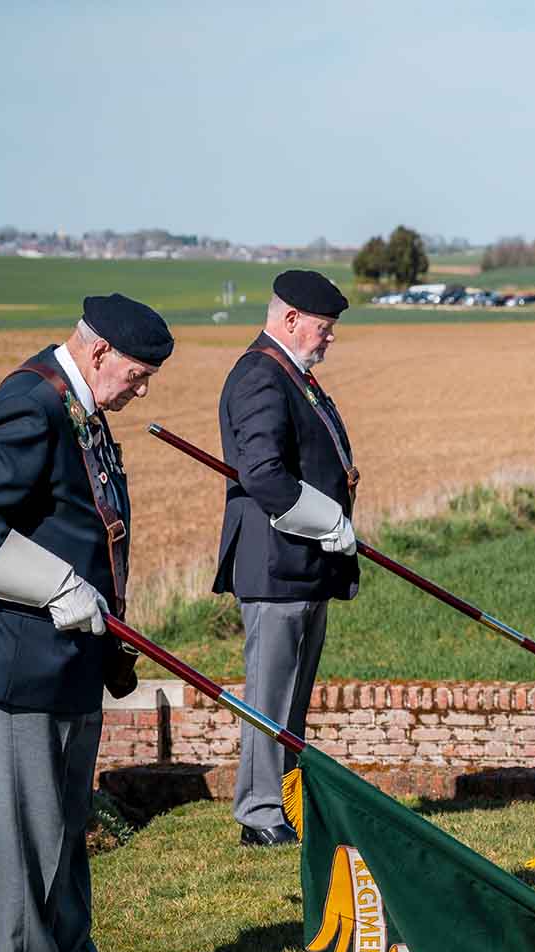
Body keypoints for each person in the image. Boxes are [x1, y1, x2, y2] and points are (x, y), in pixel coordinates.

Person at [0, 294, 173, 952]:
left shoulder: (82, 408)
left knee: (67, 829)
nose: (141, 390)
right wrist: (56, 585)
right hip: (20, 661)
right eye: (136, 375)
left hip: (73, 654)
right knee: (29, 832)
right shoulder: (31, 404)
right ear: (99, 352)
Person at [213, 270, 359, 847]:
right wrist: (329, 521)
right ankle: (259, 811)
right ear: (290, 319)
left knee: (293, 695)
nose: (330, 338)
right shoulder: (260, 376)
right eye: (324, 328)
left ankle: (287, 799)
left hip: (303, 564)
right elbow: (263, 473)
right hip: (276, 565)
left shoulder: (293, 375)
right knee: (269, 698)